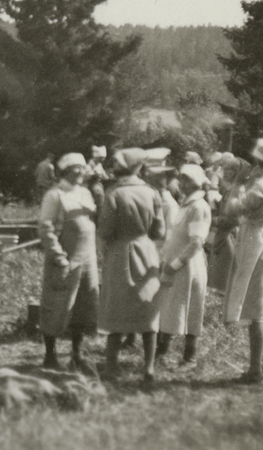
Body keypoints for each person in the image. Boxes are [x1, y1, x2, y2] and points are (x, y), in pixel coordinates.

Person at [222, 137, 263, 383]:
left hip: (256, 242)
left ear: (260, 161)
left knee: (255, 309)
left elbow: (232, 209)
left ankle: (255, 371)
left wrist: (238, 184)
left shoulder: (260, 187)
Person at [97, 148, 165, 383]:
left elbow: (105, 230)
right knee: (147, 309)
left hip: (121, 253)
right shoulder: (152, 192)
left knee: (118, 307)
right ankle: (148, 368)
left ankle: (111, 367)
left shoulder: (114, 194)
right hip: (147, 252)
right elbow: (160, 230)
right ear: (139, 168)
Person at [37, 153, 100, 371]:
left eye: (84, 169)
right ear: (65, 171)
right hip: (64, 258)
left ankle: (77, 354)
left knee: (83, 306)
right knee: (56, 305)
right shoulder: (54, 195)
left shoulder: (84, 192)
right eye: (77, 169)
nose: (82, 172)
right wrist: (58, 256)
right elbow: (45, 229)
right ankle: (50, 356)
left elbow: (90, 220)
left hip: (87, 258)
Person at [156, 164, 212, 365]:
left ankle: (189, 357)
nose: (183, 183)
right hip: (177, 265)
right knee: (169, 307)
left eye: (187, 179)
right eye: (182, 179)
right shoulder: (186, 204)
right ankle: (160, 353)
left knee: (191, 310)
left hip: (188, 267)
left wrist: (175, 264)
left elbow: (196, 242)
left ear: (198, 182)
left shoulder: (199, 207)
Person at [206, 154, 251, 298]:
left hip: (228, 235)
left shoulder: (236, 191)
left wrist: (213, 220)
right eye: (224, 168)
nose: (224, 172)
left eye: (229, 169)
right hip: (228, 233)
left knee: (224, 270)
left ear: (236, 172)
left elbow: (234, 219)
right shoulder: (236, 188)